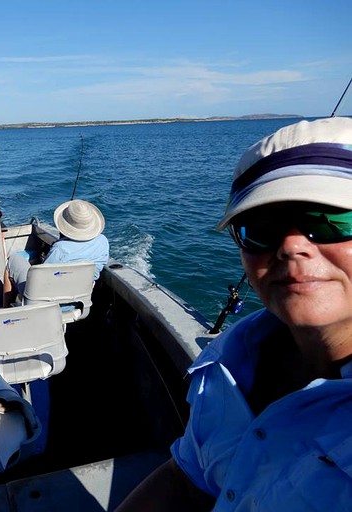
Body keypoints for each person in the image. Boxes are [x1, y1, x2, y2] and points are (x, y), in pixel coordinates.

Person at [115, 116, 352, 511]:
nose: (291, 247)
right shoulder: (229, 363)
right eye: (260, 227)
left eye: (331, 220)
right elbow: (188, 478)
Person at [4, 199, 110, 304]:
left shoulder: (60, 248)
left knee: (13, 260)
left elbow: (42, 279)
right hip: (79, 302)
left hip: (45, 303)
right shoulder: (103, 242)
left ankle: (5, 311)